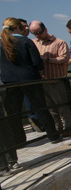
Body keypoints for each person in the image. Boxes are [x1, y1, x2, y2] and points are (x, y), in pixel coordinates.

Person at [1, 18, 62, 164]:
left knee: (13, 114)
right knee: (41, 107)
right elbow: (37, 62)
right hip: (30, 79)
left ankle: (19, 141)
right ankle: (53, 136)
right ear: (18, 28)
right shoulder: (26, 42)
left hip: (8, 83)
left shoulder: (2, 42)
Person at [29, 21, 71, 135]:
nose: (37, 35)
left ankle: (69, 127)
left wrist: (45, 59)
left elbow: (64, 58)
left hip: (57, 80)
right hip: (42, 80)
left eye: (38, 32)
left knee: (63, 106)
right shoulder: (33, 43)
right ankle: (57, 128)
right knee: (50, 108)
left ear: (45, 29)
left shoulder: (59, 43)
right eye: (33, 33)